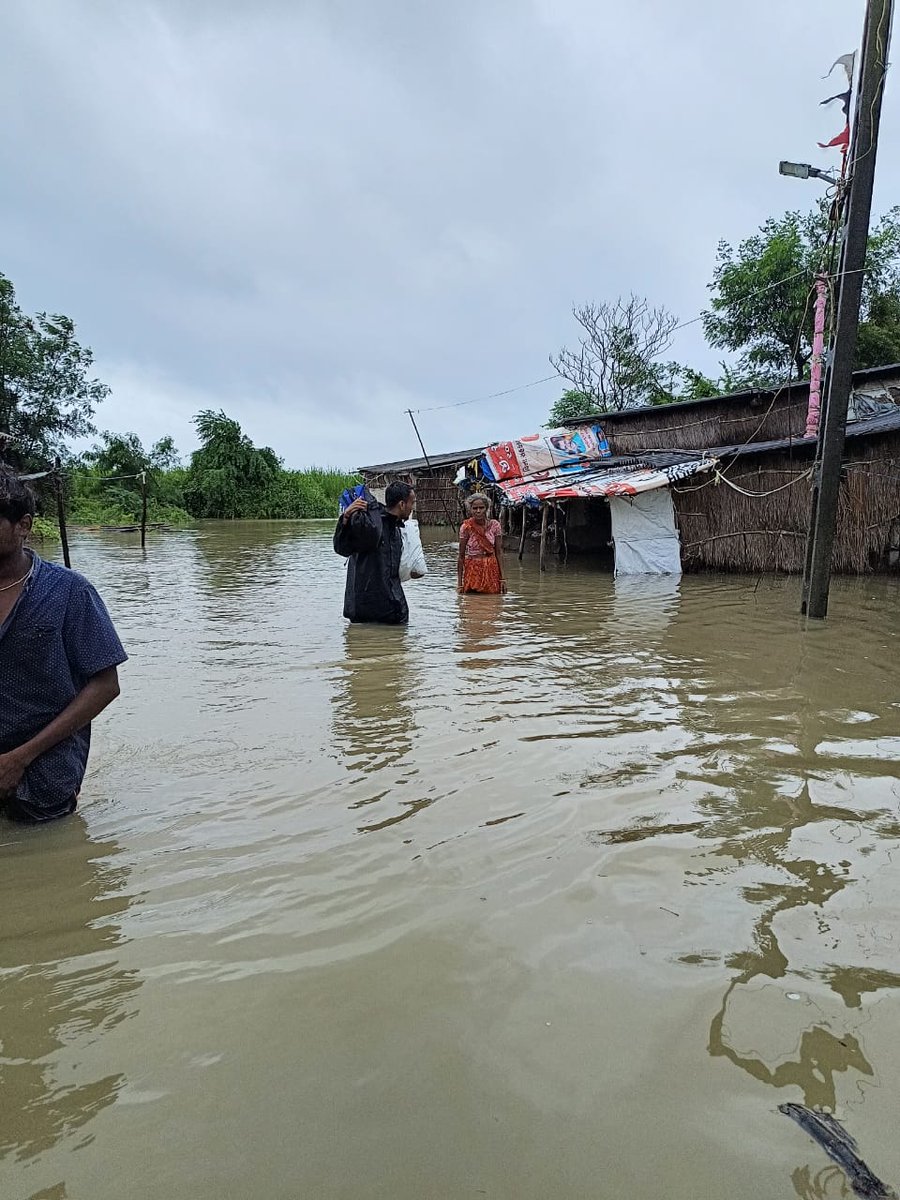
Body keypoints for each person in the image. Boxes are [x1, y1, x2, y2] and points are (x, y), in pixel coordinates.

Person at [0, 466, 127, 823]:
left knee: (50, 862)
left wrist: (19, 758)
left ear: (23, 526)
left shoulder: (69, 591)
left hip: (46, 769)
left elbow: (105, 685)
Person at [334, 480, 417, 624]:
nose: (413, 508)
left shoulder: (396, 529)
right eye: (412, 503)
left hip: (386, 610)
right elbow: (342, 548)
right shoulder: (370, 527)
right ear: (402, 504)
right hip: (379, 612)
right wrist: (345, 518)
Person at [457, 494, 506, 595]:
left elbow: (499, 553)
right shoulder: (466, 527)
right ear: (470, 509)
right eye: (475, 508)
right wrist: (459, 584)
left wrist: (502, 579)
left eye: (481, 508)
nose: (478, 511)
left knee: (492, 603)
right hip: (473, 569)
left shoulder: (495, 525)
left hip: (491, 569)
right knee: (472, 603)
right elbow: (461, 557)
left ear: (487, 508)